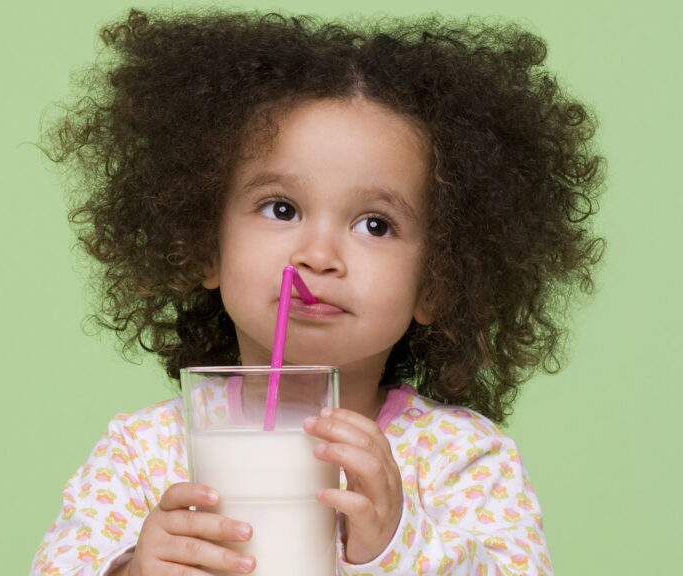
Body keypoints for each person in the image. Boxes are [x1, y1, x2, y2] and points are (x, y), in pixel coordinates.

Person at [30, 8, 604, 576]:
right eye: (282, 209)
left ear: (438, 280)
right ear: (204, 245)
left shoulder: (463, 461)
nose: (318, 256)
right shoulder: (143, 453)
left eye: (375, 224)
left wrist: (397, 545)